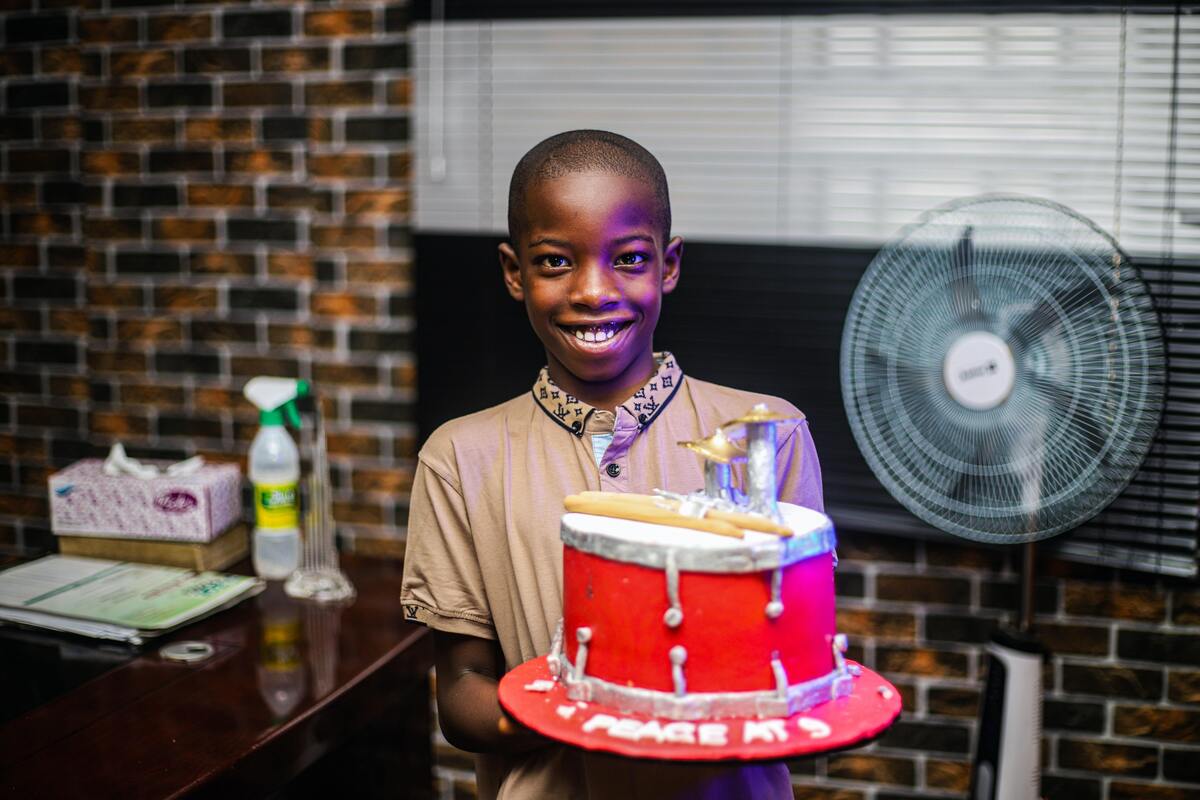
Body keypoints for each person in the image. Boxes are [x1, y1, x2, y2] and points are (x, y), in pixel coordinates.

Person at [400, 130, 823, 799]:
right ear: (514, 272)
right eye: (554, 262)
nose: (594, 291)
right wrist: (574, 711)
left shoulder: (768, 438)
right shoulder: (461, 458)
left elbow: (791, 665)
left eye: (628, 258)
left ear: (669, 264)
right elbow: (459, 694)